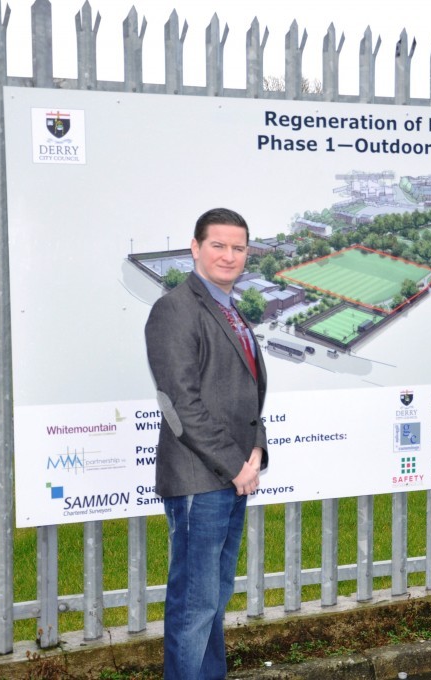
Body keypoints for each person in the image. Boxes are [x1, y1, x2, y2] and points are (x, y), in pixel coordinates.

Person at [145, 207, 268, 680]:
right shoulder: (175, 309)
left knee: (213, 598)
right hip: (201, 480)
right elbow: (181, 404)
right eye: (218, 245)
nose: (229, 255)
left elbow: (248, 392)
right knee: (195, 604)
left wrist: (255, 449)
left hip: (231, 476)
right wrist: (236, 465)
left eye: (238, 247)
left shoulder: (229, 308)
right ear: (195, 248)